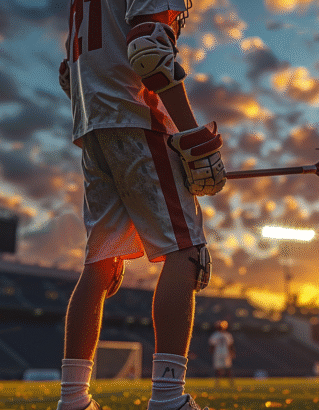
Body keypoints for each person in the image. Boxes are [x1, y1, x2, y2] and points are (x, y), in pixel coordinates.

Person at [55, 1, 226, 410]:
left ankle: (73, 398)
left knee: (99, 264)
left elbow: (68, 73)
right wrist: (192, 133)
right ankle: (168, 398)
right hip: (137, 115)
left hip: (92, 126)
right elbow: (148, 49)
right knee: (185, 252)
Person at [208, 320, 236, 387]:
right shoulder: (227, 335)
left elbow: (212, 346)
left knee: (222, 369)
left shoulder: (215, 335)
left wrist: (211, 352)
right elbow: (230, 346)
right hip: (225, 353)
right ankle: (229, 383)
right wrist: (232, 352)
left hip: (219, 353)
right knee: (226, 368)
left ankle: (219, 383)